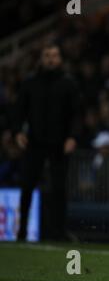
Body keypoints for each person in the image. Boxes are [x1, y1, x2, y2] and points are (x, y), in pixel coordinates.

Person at [12, 44, 80, 241]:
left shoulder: (68, 83)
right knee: (27, 186)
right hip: (35, 142)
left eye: (55, 55)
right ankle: (22, 231)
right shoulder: (30, 83)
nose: (51, 59)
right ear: (41, 59)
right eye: (48, 55)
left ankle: (59, 232)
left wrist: (72, 137)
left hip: (59, 144)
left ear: (60, 59)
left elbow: (76, 113)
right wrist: (17, 131)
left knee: (60, 188)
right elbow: (18, 110)